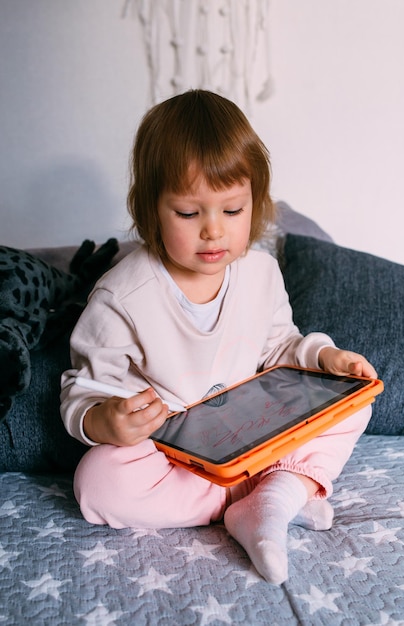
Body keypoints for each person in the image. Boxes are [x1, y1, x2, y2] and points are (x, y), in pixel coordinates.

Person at [60, 89, 377, 585]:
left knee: (355, 400)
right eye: (189, 214)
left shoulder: (260, 272)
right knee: (97, 482)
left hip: (256, 434)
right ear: (150, 210)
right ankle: (264, 497)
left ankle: (271, 495)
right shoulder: (123, 294)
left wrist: (325, 356)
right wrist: (105, 420)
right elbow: (85, 389)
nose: (213, 231)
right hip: (176, 457)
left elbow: (281, 349)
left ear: (256, 204)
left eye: (232, 211)